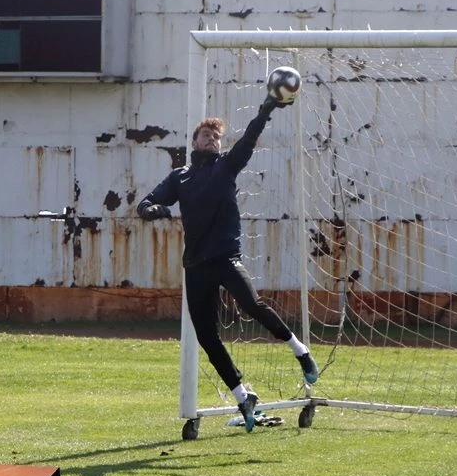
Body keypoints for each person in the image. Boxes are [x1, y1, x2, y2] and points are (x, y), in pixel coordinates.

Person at [137, 93, 320, 433]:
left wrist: (266, 109)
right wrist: (151, 210)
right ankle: (242, 394)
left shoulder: (226, 166)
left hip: (225, 257)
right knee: (206, 335)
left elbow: (249, 138)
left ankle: (301, 352)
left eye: (217, 137)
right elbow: (146, 202)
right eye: (206, 135)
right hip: (195, 265)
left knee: (252, 304)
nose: (212, 139)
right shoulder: (180, 176)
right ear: (194, 141)